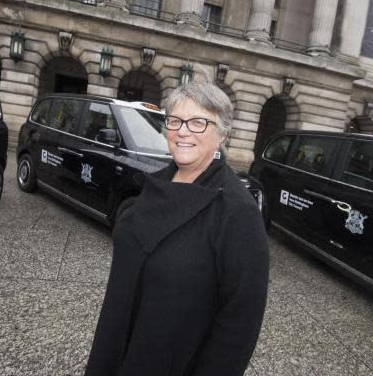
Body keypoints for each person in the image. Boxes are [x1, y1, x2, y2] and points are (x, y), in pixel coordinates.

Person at [85, 81, 269, 376]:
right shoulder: (154, 183)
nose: (183, 131)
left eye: (198, 122)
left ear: (220, 134)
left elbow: (240, 323)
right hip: (116, 349)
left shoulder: (238, 213)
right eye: (175, 121)